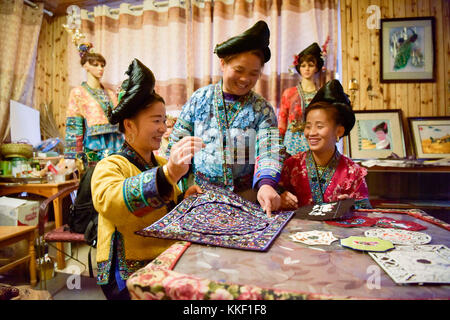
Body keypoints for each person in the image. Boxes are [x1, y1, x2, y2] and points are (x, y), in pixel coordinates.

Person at [91, 59, 204, 300]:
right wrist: (170, 175)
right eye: (156, 121)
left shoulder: (161, 164)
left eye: (164, 120)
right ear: (129, 125)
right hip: (126, 273)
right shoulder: (110, 165)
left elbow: (165, 210)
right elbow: (113, 203)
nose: (164, 128)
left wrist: (184, 199)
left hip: (162, 261)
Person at [166, 21, 283, 217]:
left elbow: (269, 150)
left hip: (247, 199)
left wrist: (266, 185)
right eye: (239, 70)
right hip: (200, 197)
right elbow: (177, 145)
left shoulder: (262, 109)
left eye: (254, 73)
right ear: (223, 63)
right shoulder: (199, 99)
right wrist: (179, 188)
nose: (245, 79)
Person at [279, 80, 372, 210]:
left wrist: (352, 206)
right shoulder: (291, 166)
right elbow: (276, 196)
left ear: (339, 131)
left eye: (320, 126)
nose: (311, 133)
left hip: (337, 230)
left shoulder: (353, 172)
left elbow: (366, 210)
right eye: (308, 126)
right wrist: (281, 198)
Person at [64, 43, 124, 165]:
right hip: (93, 145)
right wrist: (71, 155)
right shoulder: (78, 93)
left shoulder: (111, 93)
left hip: (116, 143)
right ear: (86, 66)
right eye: (95, 65)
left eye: (102, 65)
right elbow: (74, 125)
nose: (100, 68)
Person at [278, 43, 323, 157]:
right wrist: (278, 146)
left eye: (310, 65)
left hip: (314, 140)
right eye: (303, 65)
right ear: (299, 68)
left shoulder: (322, 94)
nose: (307, 68)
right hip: (292, 143)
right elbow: (282, 122)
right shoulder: (289, 93)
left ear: (316, 67)